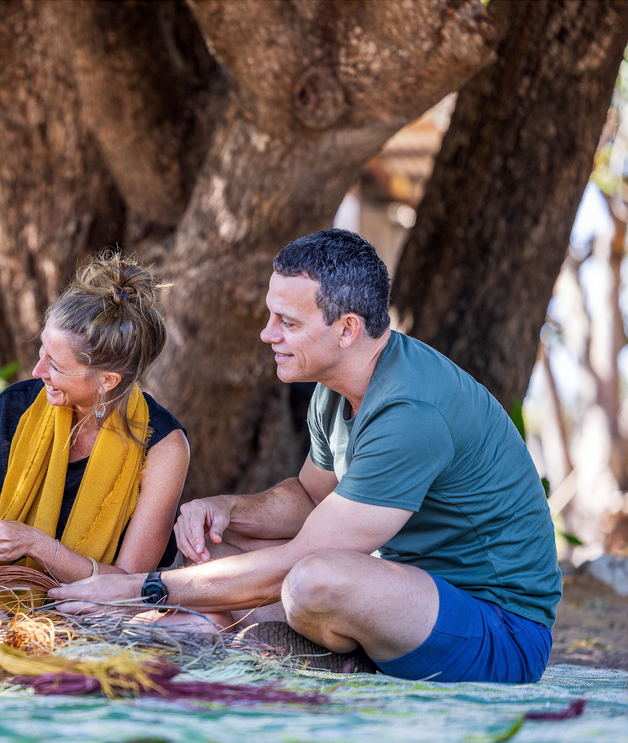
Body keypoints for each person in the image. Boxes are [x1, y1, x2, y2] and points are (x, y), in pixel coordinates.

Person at [50, 229, 562, 684]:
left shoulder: (410, 411)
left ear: (346, 329)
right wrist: (230, 508)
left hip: (499, 629)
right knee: (215, 543)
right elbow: (309, 497)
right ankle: (247, 633)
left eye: (286, 322)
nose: (266, 334)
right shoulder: (337, 385)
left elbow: (298, 562)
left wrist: (137, 589)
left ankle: (312, 654)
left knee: (313, 581)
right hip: (406, 593)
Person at [0, 253, 190, 584]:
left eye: (55, 365)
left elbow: (128, 582)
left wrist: (36, 545)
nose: (38, 373)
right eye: (42, 352)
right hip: (3, 593)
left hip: (100, 615)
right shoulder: (16, 410)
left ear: (108, 380)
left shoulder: (163, 446)